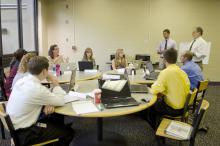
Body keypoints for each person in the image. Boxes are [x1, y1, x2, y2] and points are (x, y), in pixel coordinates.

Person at [6, 56, 74, 146]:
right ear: (44, 71)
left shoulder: (22, 81)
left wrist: (46, 102)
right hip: (26, 134)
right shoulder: (37, 89)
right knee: (68, 133)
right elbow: (61, 100)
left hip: (15, 128)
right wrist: (54, 81)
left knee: (53, 117)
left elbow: (35, 97)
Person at [147, 48, 190, 130]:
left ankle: (153, 130)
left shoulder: (165, 72)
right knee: (159, 99)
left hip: (174, 109)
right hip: (184, 106)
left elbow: (154, 91)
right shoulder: (182, 72)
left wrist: (152, 86)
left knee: (151, 106)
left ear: (164, 60)